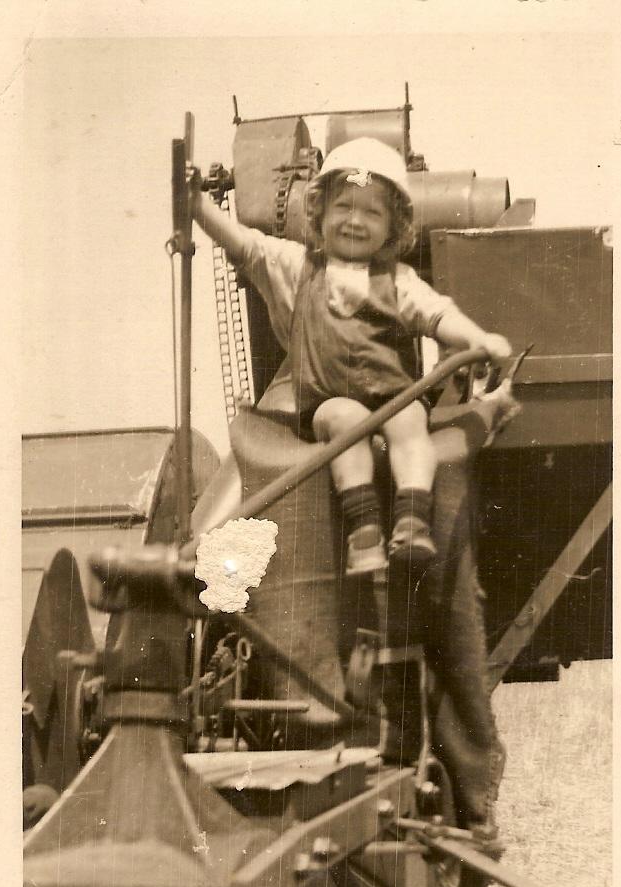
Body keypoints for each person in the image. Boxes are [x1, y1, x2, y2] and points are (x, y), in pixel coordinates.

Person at [194, 137, 514, 574]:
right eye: (343, 206)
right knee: (346, 421)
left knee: (410, 421)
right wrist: (196, 207)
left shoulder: (399, 280)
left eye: (372, 211)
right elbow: (246, 244)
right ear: (319, 213)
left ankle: (412, 518)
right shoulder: (297, 266)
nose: (355, 220)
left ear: (394, 226)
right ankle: (363, 534)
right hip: (330, 402)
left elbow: (439, 315)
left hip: (394, 400)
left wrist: (480, 338)